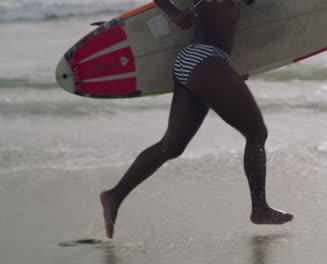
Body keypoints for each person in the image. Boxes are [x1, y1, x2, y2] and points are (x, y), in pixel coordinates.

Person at [100, 0, 293, 239]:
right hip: (204, 60)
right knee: (256, 134)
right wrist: (171, 12)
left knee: (171, 146)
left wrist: (227, 74)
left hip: (198, 62)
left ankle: (114, 195)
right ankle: (260, 208)